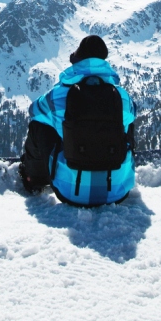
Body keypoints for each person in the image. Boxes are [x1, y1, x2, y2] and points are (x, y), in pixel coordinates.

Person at [19, 35, 137, 206]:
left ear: (77, 61)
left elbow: (34, 111)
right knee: (127, 122)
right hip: (117, 192)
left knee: (39, 125)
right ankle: (123, 168)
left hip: (70, 193)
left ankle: (35, 178)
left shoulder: (57, 96)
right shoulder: (122, 97)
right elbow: (134, 112)